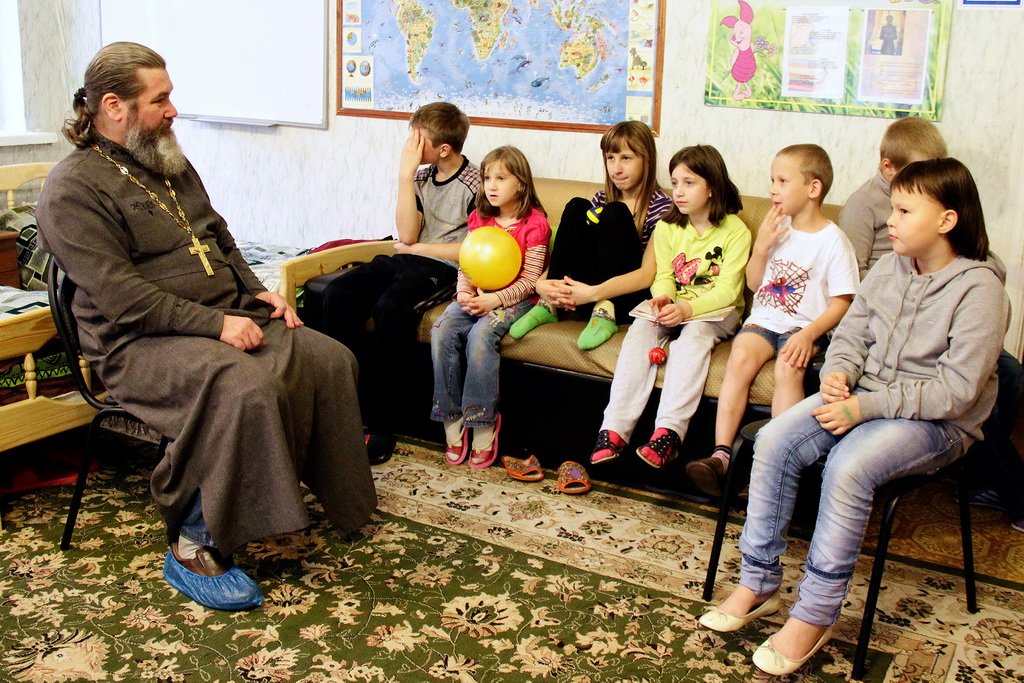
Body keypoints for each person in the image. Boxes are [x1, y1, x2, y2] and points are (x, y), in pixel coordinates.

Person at [35, 42, 377, 612]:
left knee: (327, 358)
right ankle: (194, 541)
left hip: (220, 315)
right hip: (137, 343)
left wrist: (256, 291)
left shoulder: (165, 160)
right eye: (160, 99)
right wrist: (216, 325)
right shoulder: (71, 189)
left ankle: (312, 496)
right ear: (114, 106)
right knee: (243, 387)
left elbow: (218, 234)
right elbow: (121, 298)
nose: (173, 110)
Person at [698, 158, 1009, 676]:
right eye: (893, 208)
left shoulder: (981, 289)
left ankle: (815, 614)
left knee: (849, 466)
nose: (890, 220)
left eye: (904, 211)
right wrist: (838, 373)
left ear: (947, 220)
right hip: (862, 397)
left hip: (937, 423)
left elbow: (955, 392)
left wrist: (863, 406)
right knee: (773, 440)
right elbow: (849, 337)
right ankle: (758, 582)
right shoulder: (888, 268)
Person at [686, 145, 859, 497]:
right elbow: (753, 284)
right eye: (772, 180)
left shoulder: (833, 241)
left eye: (782, 181)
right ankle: (721, 456)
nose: (773, 189)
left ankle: (772, 467)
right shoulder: (776, 228)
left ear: (813, 188)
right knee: (739, 359)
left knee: (787, 368)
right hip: (765, 320)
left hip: (804, 326)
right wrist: (762, 247)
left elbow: (843, 301)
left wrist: (809, 334)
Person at [321, 102, 480, 465]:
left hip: (444, 268)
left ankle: (383, 423)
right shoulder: (421, 178)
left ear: (444, 148)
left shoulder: (476, 184)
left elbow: (473, 249)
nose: (410, 146)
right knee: (337, 293)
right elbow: (406, 234)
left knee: (391, 309)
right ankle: (349, 401)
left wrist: (421, 247)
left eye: (417, 140)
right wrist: (405, 177)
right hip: (406, 258)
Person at [589, 145, 750, 467]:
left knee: (693, 339)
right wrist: (663, 298)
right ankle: (614, 430)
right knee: (640, 330)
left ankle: (668, 433)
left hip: (717, 312)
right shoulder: (667, 226)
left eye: (689, 183)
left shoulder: (736, 231)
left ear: (712, 187)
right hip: (675, 305)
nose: (678, 191)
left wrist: (688, 310)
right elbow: (663, 276)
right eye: (675, 183)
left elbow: (728, 291)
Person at [431, 146, 550, 468]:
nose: (491, 186)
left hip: (516, 299)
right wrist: (463, 293)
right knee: (442, 329)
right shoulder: (480, 219)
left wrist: (494, 300)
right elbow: (468, 264)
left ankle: (482, 422)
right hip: (476, 293)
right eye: (486, 178)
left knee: (481, 335)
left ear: (521, 184)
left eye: (501, 178)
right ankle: (451, 419)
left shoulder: (535, 224)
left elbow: (531, 280)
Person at [509, 120, 672, 350]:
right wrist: (542, 284)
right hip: (583, 295)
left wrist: (593, 293)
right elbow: (572, 251)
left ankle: (606, 310)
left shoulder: (662, 208)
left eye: (626, 158)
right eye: (610, 158)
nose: (616, 168)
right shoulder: (600, 198)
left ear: (647, 160)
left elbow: (647, 275)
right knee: (577, 206)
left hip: (625, 298)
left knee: (615, 212)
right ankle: (549, 304)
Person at [839, 117, 947, 280]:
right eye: (916, 174)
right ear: (888, 167)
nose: (928, 181)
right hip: (887, 286)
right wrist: (900, 287)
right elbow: (851, 273)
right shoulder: (862, 202)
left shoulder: (929, 196)